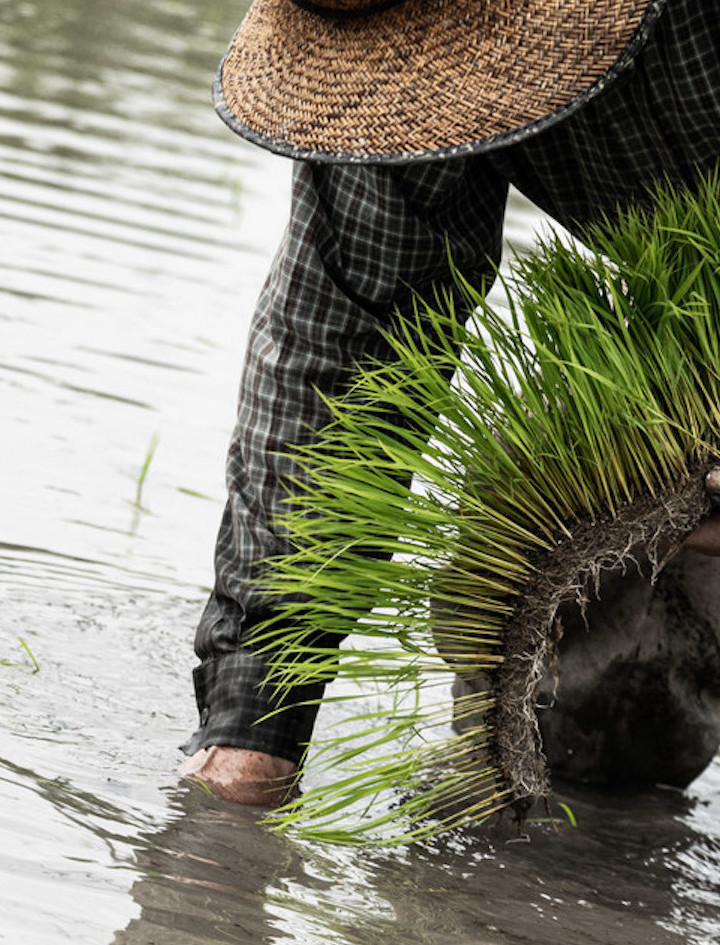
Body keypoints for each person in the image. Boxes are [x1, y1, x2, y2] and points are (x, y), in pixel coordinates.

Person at [180, 0, 720, 806]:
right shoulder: (384, 51)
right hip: (690, 343)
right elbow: (345, 356)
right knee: (582, 725)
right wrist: (255, 722)